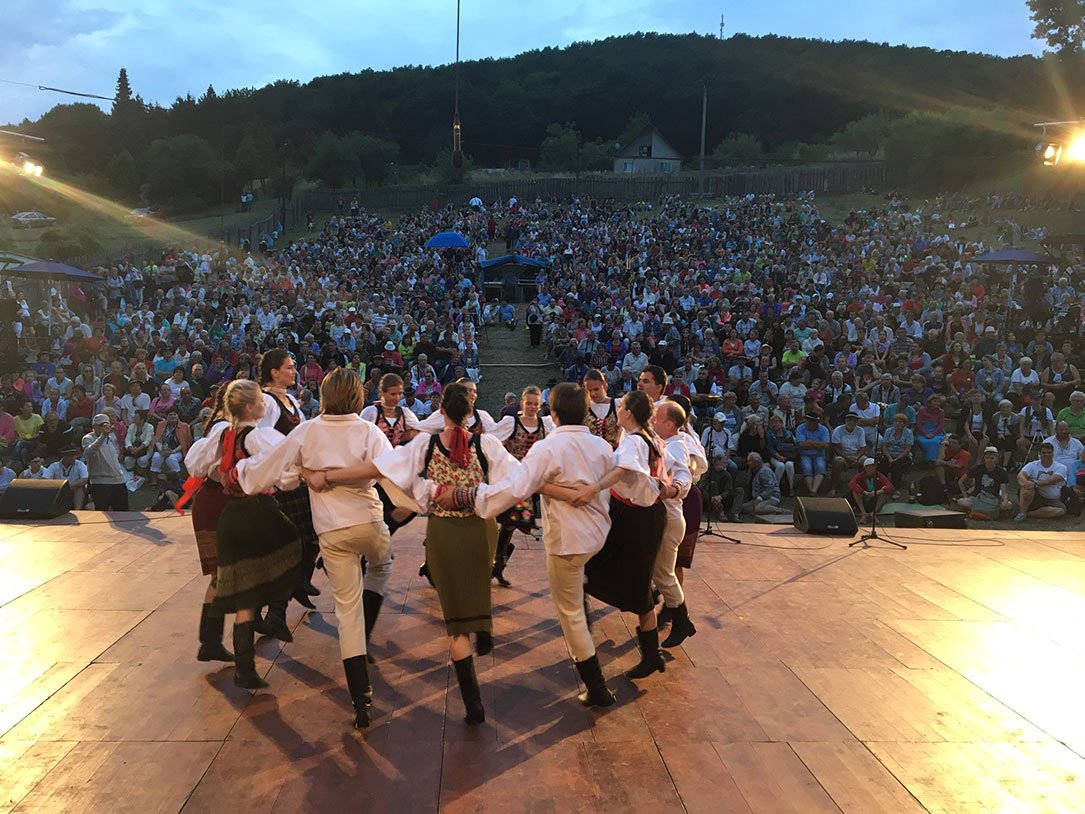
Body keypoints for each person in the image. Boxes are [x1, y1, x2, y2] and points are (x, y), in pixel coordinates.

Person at [314, 383, 517, 725]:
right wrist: (475, 495)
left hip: (443, 530)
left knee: (454, 617)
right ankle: (482, 626)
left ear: (441, 411)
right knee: (477, 584)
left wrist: (329, 476)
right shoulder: (488, 445)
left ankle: (474, 704)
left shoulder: (426, 444)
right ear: (470, 412)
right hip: (481, 530)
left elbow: (381, 469)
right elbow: (516, 481)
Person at [241, 368, 395, 728]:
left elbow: (278, 474)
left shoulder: (306, 431)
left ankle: (361, 700)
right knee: (382, 565)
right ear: (357, 396)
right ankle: (369, 622)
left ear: (324, 395)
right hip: (369, 522)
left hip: (332, 531)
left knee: (347, 613)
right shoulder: (369, 430)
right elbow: (390, 470)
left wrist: (303, 474)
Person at [457, 382, 619, 707]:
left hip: (567, 540)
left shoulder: (549, 448)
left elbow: (518, 486)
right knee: (575, 592)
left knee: (570, 612)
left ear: (553, 414)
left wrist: (474, 496)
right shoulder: (601, 445)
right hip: (597, 534)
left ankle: (597, 687)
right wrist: (561, 490)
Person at [184, 380, 302, 690]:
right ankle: (245, 660)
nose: (265, 403)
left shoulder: (222, 433)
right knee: (278, 562)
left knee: (229, 580)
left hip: (229, 511)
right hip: (249, 511)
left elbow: (195, 464)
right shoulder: (257, 437)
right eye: (261, 399)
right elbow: (287, 472)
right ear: (250, 407)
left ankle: (218, 645)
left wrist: (226, 475)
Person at [567, 390, 668, 681]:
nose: (617, 409)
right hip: (638, 516)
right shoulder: (645, 437)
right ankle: (649, 652)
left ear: (629, 412)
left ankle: (650, 654)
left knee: (621, 580)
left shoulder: (636, 440)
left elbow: (622, 470)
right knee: (601, 570)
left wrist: (593, 488)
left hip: (636, 520)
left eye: (621, 406)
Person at [258, 349, 320, 625]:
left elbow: (301, 434)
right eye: (289, 367)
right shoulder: (267, 401)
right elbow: (260, 439)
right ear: (274, 372)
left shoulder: (291, 399)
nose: (294, 371)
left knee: (311, 533)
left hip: (296, 476)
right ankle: (277, 606)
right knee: (291, 541)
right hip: (281, 480)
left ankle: (300, 580)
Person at [178, 387, 234, 670]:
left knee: (222, 575)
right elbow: (213, 469)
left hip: (215, 502)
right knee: (223, 574)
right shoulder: (224, 429)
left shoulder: (223, 427)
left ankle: (210, 641)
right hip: (216, 503)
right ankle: (211, 640)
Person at [490, 385, 553, 587]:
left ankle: (498, 562)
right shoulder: (512, 423)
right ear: (522, 403)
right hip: (513, 479)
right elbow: (493, 441)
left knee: (512, 523)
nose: (532, 407)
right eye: (529, 403)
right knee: (511, 522)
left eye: (536, 404)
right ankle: (498, 562)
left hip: (532, 482)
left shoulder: (546, 425)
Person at [360, 372, 422, 534]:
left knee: (411, 505)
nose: (397, 398)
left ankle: (385, 532)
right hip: (374, 470)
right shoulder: (371, 412)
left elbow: (419, 433)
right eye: (393, 394)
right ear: (382, 393)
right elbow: (359, 436)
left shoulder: (405, 414)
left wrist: (405, 436)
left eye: (399, 394)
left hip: (395, 471)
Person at [82, 413, 129, 511]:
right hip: (100, 481)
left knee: (123, 511)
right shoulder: (88, 438)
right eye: (100, 425)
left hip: (118, 480)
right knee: (102, 512)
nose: (103, 428)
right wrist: (103, 436)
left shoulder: (109, 438)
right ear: (94, 426)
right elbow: (89, 452)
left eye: (106, 425)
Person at [1015, 441, 1067, 521]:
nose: (1046, 455)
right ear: (1039, 453)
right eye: (1044, 452)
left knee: (1060, 511)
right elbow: (1020, 475)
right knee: (1026, 487)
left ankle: (1027, 514)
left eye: (1049, 452)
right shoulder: (1032, 465)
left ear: (1053, 453)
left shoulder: (1061, 467)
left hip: (1052, 499)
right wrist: (1026, 484)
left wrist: (1034, 483)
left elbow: (1049, 481)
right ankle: (1021, 512)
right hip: (1036, 497)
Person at [958, 446, 1011, 517]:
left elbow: (1004, 491)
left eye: (992, 458)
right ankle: (989, 510)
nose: (989, 460)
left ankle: (980, 509)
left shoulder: (1001, 472)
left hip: (993, 498)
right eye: (987, 458)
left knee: (1007, 505)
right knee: (962, 501)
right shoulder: (977, 468)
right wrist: (965, 496)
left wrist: (1005, 500)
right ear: (984, 458)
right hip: (977, 497)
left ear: (996, 458)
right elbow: (961, 481)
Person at [150, 408, 192, 489]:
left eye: (174, 414)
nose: (172, 416)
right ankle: (154, 481)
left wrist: (173, 451)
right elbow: (157, 440)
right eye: (170, 415)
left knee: (171, 458)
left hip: (177, 450)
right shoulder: (161, 424)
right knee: (156, 457)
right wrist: (161, 451)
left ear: (178, 416)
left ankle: (177, 480)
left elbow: (184, 443)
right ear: (167, 416)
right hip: (162, 449)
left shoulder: (184, 426)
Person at [848, 458, 893, 524]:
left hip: (874, 499)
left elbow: (890, 486)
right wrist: (864, 492)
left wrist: (878, 492)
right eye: (868, 466)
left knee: (885, 492)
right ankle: (863, 513)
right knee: (855, 491)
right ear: (865, 468)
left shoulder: (879, 475)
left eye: (872, 466)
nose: (870, 468)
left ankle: (874, 513)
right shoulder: (860, 476)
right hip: (863, 498)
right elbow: (851, 484)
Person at [737, 451, 782, 518]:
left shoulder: (765, 471)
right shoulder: (752, 470)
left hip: (771, 497)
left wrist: (760, 498)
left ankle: (781, 511)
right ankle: (762, 512)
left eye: (750, 461)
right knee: (742, 508)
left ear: (756, 462)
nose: (748, 463)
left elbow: (770, 488)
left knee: (758, 509)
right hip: (756, 498)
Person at [584, 369, 621, 449]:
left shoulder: (617, 404)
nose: (593, 394)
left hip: (613, 453)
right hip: (591, 452)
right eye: (589, 390)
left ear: (603, 385)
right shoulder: (584, 407)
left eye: (596, 389)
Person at [796, 412, 830, 495]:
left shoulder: (824, 429)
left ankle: (814, 489)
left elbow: (826, 445)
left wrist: (810, 442)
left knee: (820, 466)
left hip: (819, 455)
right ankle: (811, 489)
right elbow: (801, 445)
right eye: (808, 420)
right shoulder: (800, 428)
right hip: (804, 454)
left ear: (817, 422)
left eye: (812, 421)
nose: (810, 422)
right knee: (807, 466)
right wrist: (818, 445)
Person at [46, 445, 89, 509]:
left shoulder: (79, 464)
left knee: (79, 488)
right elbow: (45, 479)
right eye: (70, 456)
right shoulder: (54, 466)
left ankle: (78, 510)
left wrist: (68, 486)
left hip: (74, 489)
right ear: (64, 456)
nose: (73, 458)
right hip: (59, 491)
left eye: (74, 455)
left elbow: (84, 479)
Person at [1044, 420, 1084, 488]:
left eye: (1066, 429)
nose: (1064, 431)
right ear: (1056, 430)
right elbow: (1043, 460)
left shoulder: (1077, 443)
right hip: (1054, 475)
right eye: (1061, 430)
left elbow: (1083, 460)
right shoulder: (1048, 442)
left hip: (1074, 476)